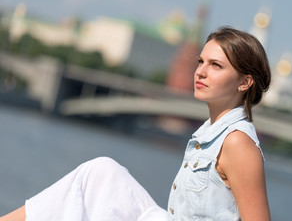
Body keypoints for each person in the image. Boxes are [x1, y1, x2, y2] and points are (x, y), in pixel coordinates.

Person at [0, 26, 271, 221]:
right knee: (100, 173)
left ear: (244, 82)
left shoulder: (236, 143)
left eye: (216, 65)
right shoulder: (209, 135)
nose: (200, 71)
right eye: (200, 61)